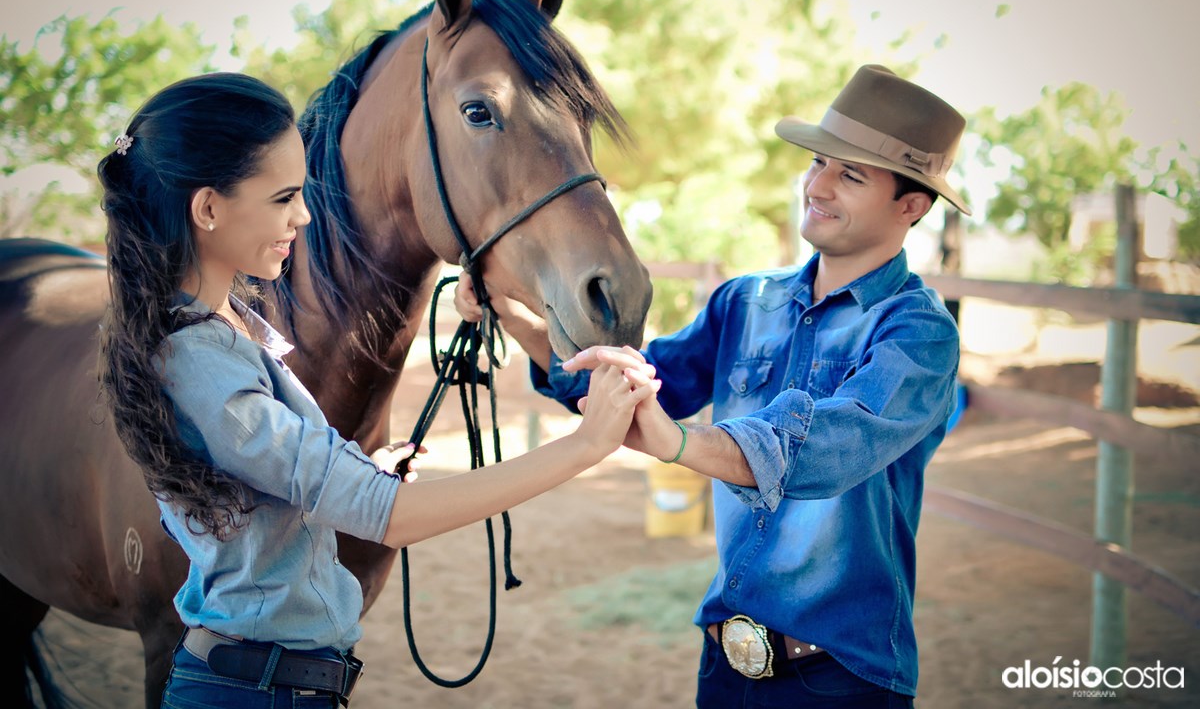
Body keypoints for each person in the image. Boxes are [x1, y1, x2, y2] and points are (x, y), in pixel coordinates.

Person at [96, 72, 660, 708]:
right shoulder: (200, 359)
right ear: (207, 209)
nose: (303, 216)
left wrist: (365, 471)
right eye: (284, 198)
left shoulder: (225, 333)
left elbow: (266, 495)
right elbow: (391, 518)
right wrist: (585, 445)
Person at [456, 64, 971, 707]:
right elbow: (633, 384)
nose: (818, 185)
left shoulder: (919, 333)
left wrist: (677, 442)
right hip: (724, 665)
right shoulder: (744, 301)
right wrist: (508, 312)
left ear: (911, 205)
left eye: (851, 175)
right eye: (818, 162)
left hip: (841, 679)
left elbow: (828, 451)